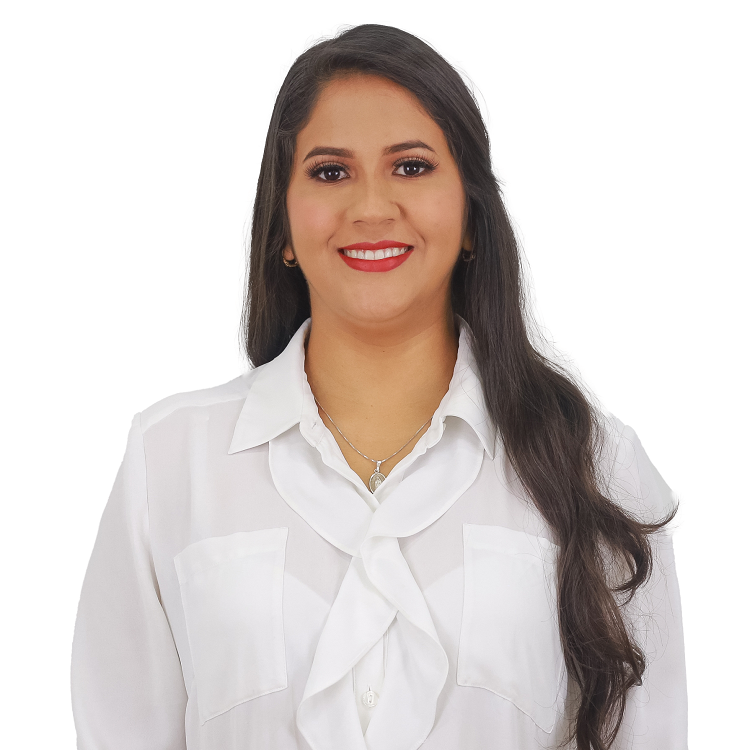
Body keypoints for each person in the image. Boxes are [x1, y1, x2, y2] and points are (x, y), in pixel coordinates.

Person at [71, 23, 688, 750]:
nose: (370, 207)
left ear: (471, 217)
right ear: (283, 224)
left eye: (412, 167)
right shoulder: (171, 461)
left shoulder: (597, 466)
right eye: (331, 172)